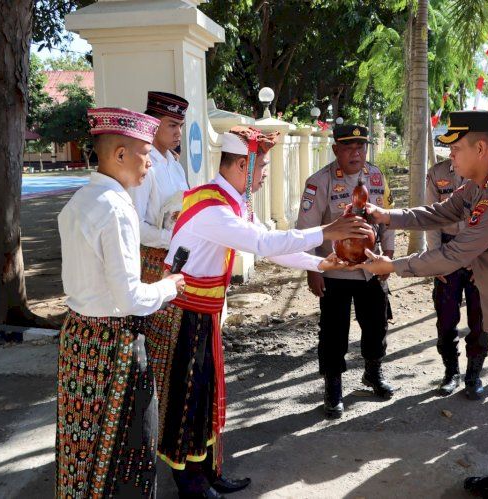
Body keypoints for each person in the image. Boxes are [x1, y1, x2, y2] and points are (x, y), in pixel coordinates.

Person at [154, 126, 372, 498]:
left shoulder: (231, 201)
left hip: (203, 312)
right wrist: (326, 232)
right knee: (189, 402)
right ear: (243, 164)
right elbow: (261, 241)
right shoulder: (212, 207)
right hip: (185, 314)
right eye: (263, 164)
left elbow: (272, 250)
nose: (266, 172)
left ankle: (207, 472)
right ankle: (190, 486)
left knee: (205, 398)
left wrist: (321, 264)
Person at [356, 111, 488, 499]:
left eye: (457, 148)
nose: (452, 156)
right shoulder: (478, 186)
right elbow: (438, 213)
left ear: (481, 148)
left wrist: (392, 266)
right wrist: (386, 216)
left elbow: (455, 254)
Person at [56, 107, 185, 497]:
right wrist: (169, 286)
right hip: (115, 344)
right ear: (120, 155)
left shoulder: (80, 199)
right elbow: (130, 298)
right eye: (145, 153)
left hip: (79, 337)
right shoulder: (117, 209)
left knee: (80, 446)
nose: (150, 163)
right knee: (130, 451)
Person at [296, 124, 396, 419]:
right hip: (335, 272)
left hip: (371, 268)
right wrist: (311, 270)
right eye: (349, 147)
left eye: (361, 147)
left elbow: (387, 219)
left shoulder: (376, 177)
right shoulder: (319, 183)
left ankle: (372, 373)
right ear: (336, 149)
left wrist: (388, 256)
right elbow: (305, 230)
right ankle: (333, 387)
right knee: (334, 332)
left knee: (377, 324)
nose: (356, 153)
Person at [425, 158, 488, 399]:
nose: (455, 151)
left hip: (479, 253)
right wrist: (435, 259)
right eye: (451, 146)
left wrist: (481, 259)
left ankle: (474, 375)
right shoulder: (437, 173)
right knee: (446, 318)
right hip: (447, 251)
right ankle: (451, 372)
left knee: (479, 319)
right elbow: (431, 218)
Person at [129, 91, 190, 283]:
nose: (178, 132)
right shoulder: (143, 166)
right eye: (172, 125)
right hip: (150, 263)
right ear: (153, 125)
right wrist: (171, 237)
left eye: (180, 126)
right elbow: (134, 226)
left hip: (176, 257)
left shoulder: (175, 165)